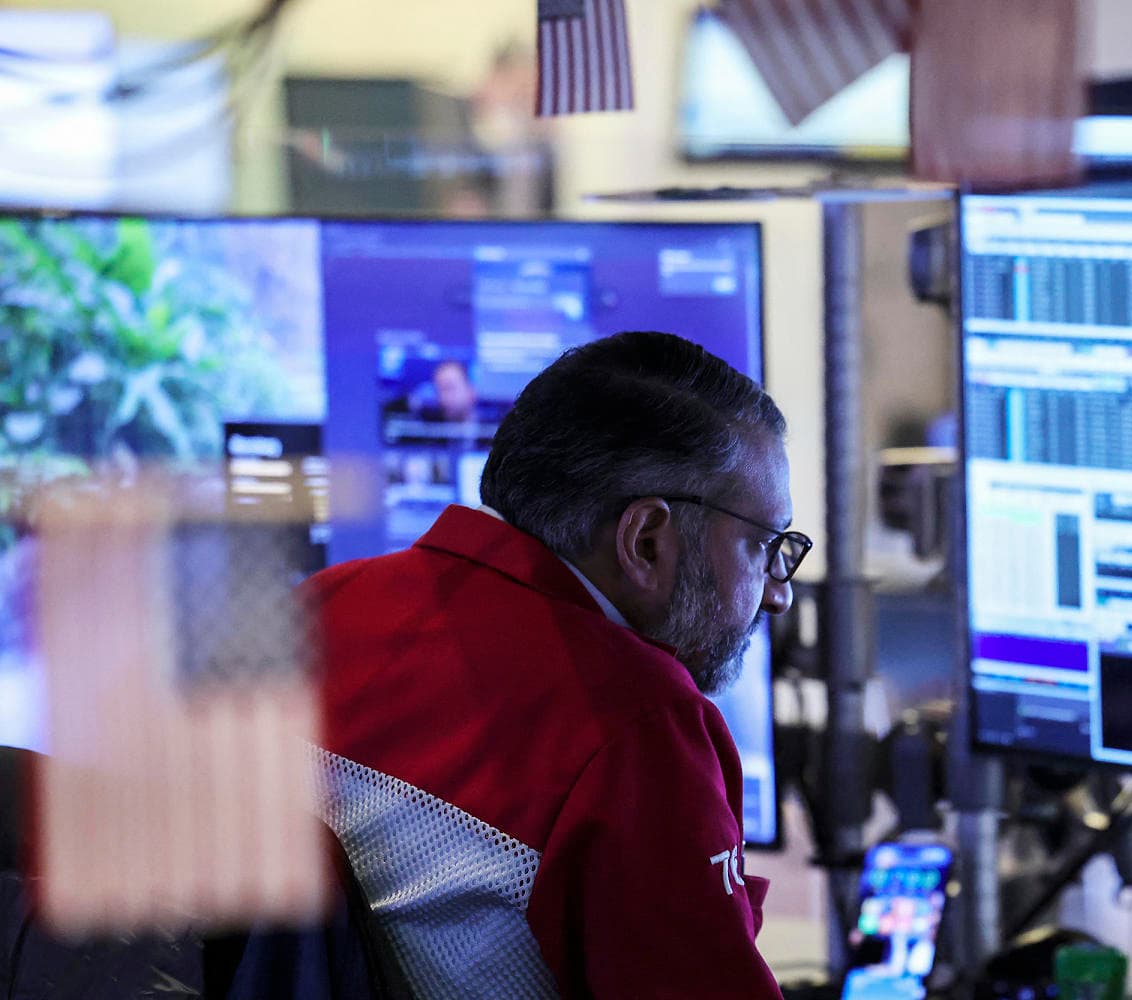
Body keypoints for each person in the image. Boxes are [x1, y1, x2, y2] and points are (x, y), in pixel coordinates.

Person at [303, 331, 812, 998]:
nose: (779, 592)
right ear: (647, 541)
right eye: (766, 546)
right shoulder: (633, 725)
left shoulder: (322, 605)